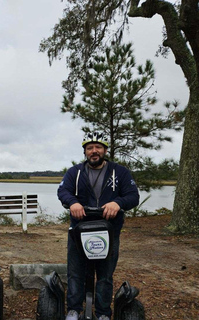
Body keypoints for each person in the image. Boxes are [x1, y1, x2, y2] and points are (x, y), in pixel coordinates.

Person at [57, 131, 140, 320]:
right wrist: (73, 203)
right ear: (85, 151)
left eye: (98, 147)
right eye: (90, 148)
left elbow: (133, 196)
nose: (94, 151)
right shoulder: (75, 172)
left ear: (104, 150)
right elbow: (63, 190)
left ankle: (103, 313)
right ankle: (74, 309)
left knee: (104, 275)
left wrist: (118, 203)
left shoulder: (119, 172)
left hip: (108, 232)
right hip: (79, 230)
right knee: (75, 272)